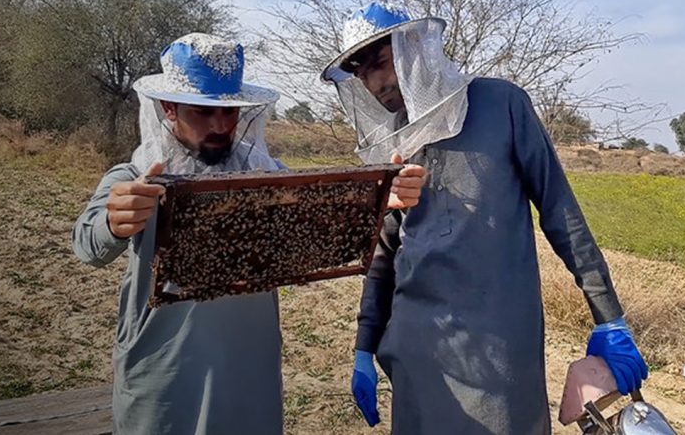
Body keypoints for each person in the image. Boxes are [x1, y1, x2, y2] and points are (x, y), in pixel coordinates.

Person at [72, 32, 426, 434]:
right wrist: (113, 222)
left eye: (231, 111)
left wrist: (381, 203)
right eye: (204, 112)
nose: (222, 124)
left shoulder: (271, 178)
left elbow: (325, 228)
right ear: (169, 107)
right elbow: (86, 245)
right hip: (164, 375)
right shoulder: (133, 178)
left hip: (249, 371)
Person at [320, 3, 649, 434]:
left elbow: (560, 212)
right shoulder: (398, 136)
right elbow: (386, 251)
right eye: (361, 72)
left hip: (498, 345)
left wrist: (608, 314)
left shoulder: (500, 104)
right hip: (417, 344)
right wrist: (365, 346)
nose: (375, 82)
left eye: (380, 62)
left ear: (417, 47)